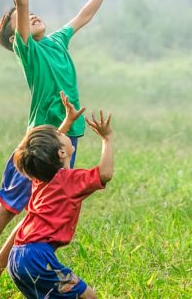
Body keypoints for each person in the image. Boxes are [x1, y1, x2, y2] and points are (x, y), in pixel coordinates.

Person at [0, 0, 124, 297]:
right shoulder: (30, 52)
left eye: (33, 14)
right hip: (39, 142)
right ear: (14, 35)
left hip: (68, 137)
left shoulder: (55, 42)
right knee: (9, 208)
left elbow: (83, 15)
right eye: (21, 19)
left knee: (38, 210)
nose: (31, 15)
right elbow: (20, 2)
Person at [6, 102, 114, 299]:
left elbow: (47, 150)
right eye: (61, 135)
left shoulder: (40, 178)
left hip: (16, 257)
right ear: (61, 153)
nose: (63, 133)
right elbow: (105, 173)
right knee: (89, 296)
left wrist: (68, 121)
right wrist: (107, 139)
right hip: (37, 258)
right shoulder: (69, 181)